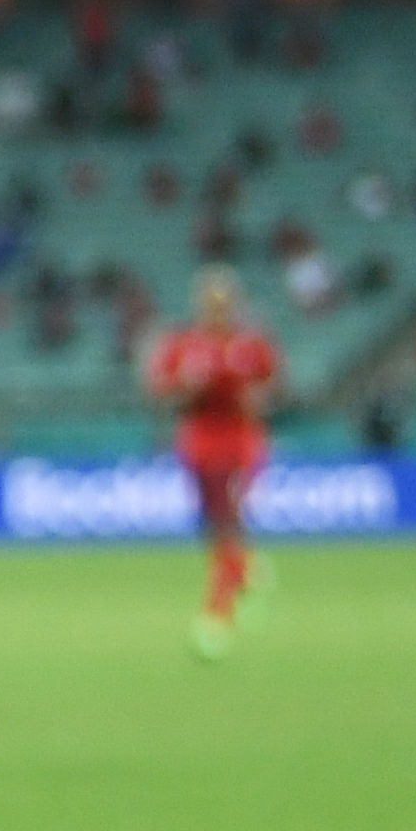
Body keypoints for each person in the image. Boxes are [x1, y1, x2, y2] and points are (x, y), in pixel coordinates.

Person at [143, 267, 281, 660]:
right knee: (215, 525)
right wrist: (185, 390)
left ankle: (216, 615)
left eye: (223, 303)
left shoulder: (250, 344)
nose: (216, 310)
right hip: (200, 442)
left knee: (228, 520)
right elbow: (160, 388)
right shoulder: (184, 344)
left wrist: (257, 398)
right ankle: (248, 571)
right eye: (209, 303)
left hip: (240, 441)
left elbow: (271, 383)